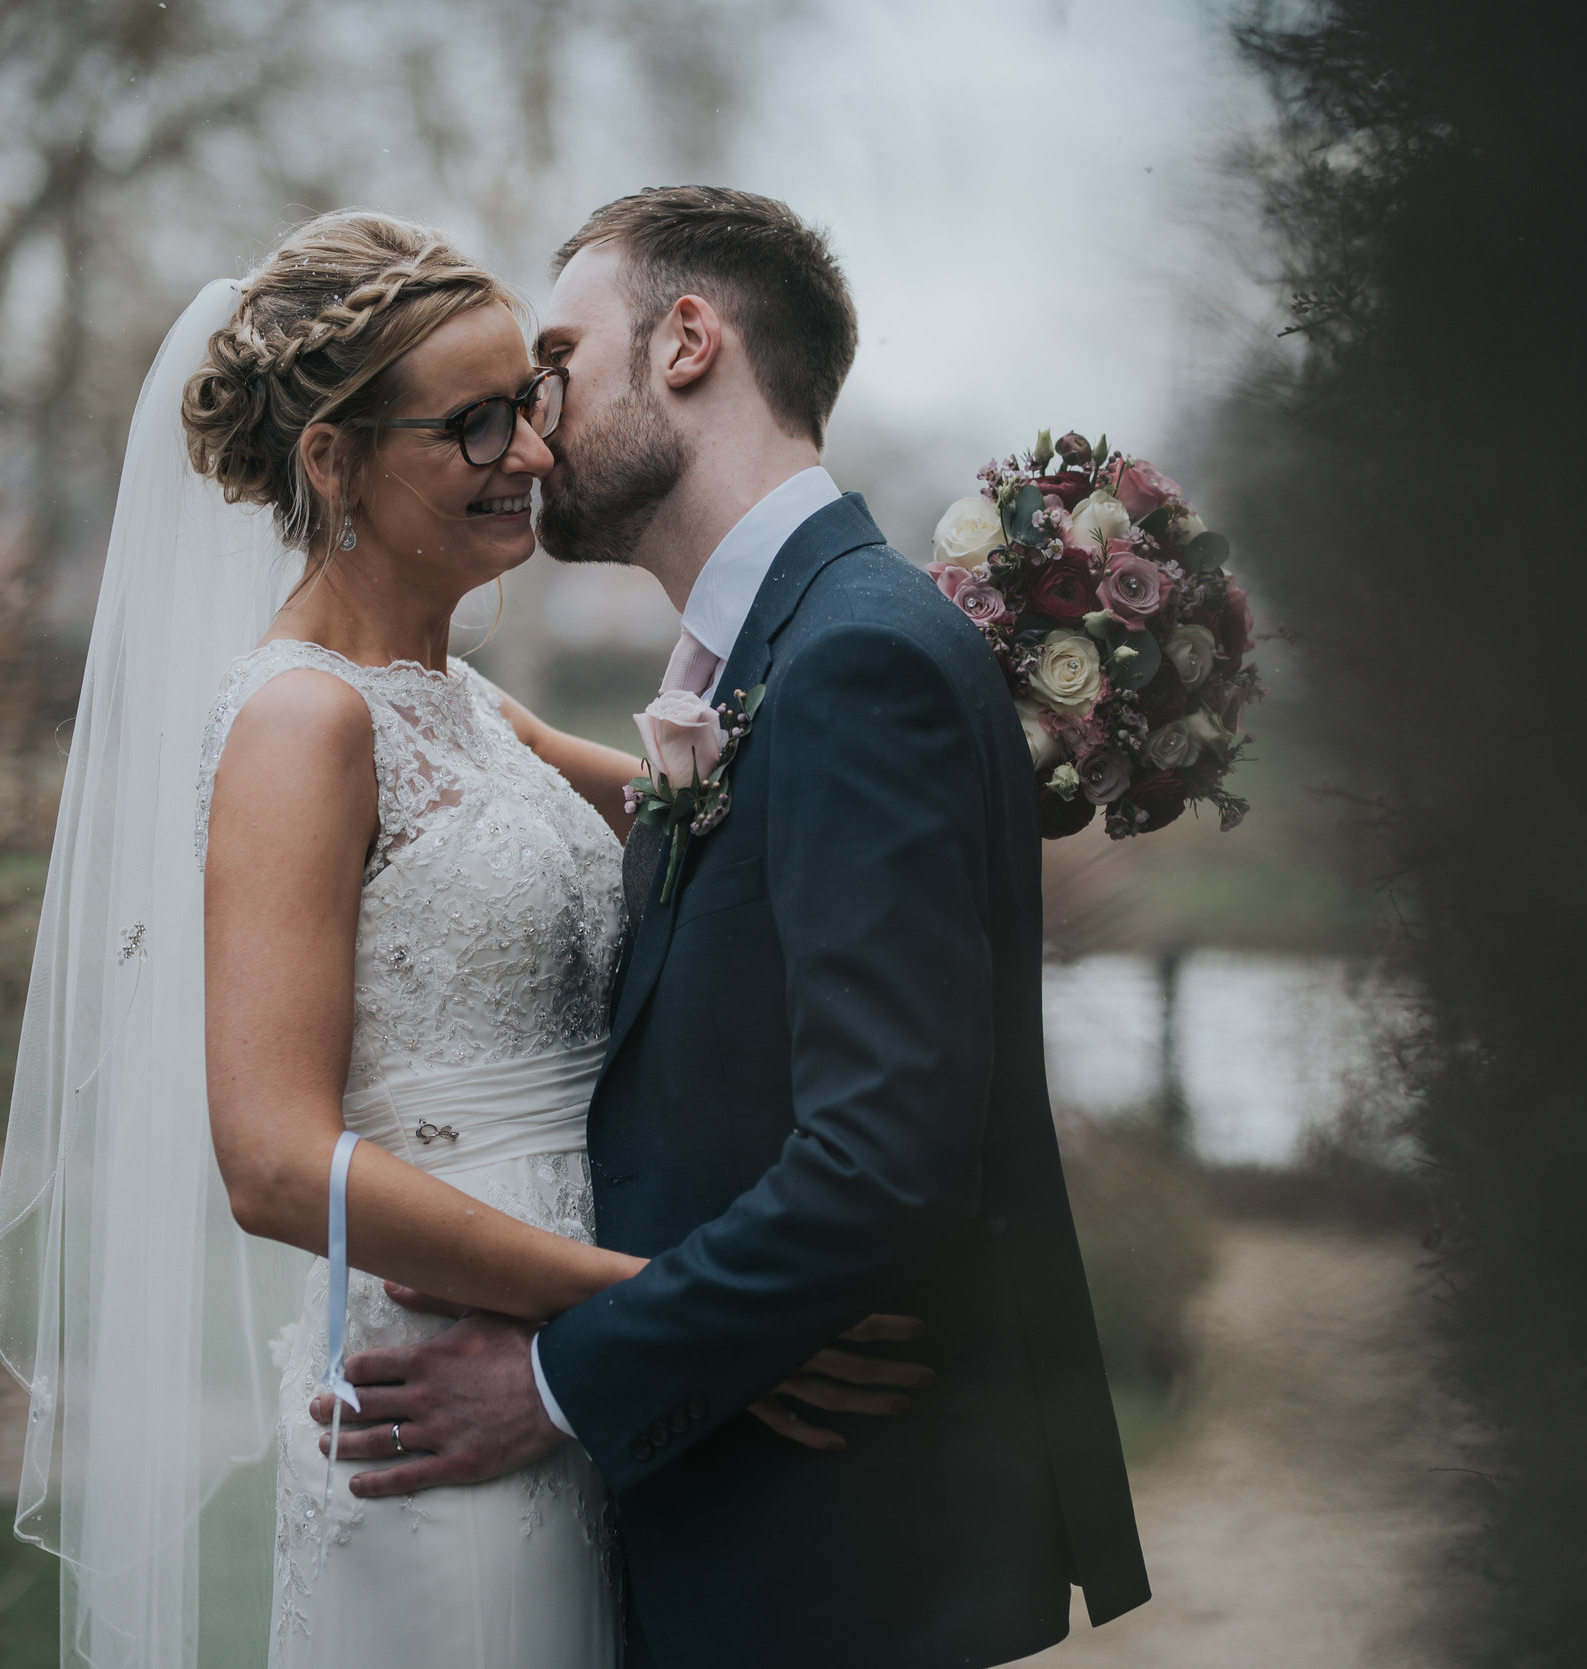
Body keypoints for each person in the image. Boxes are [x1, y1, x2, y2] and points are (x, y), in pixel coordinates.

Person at [0, 209, 915, 1669]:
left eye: (531, 407)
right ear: (334, 462)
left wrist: (999, 706)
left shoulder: (469, 706)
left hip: (576, 1368)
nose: (533, 459)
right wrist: (668, 1312)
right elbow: (277, 1163)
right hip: (450, 1384)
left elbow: (768, 801)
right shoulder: (302, 724)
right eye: (476, 426)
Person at [308, 187, 1150, 1668]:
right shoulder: (787, 654)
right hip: (765, 1529)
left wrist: (566, 1377)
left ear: (689, 342)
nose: (528, 418)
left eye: (555, 364)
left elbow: (881, 1158)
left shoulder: (851, 660)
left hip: (825, 1558)